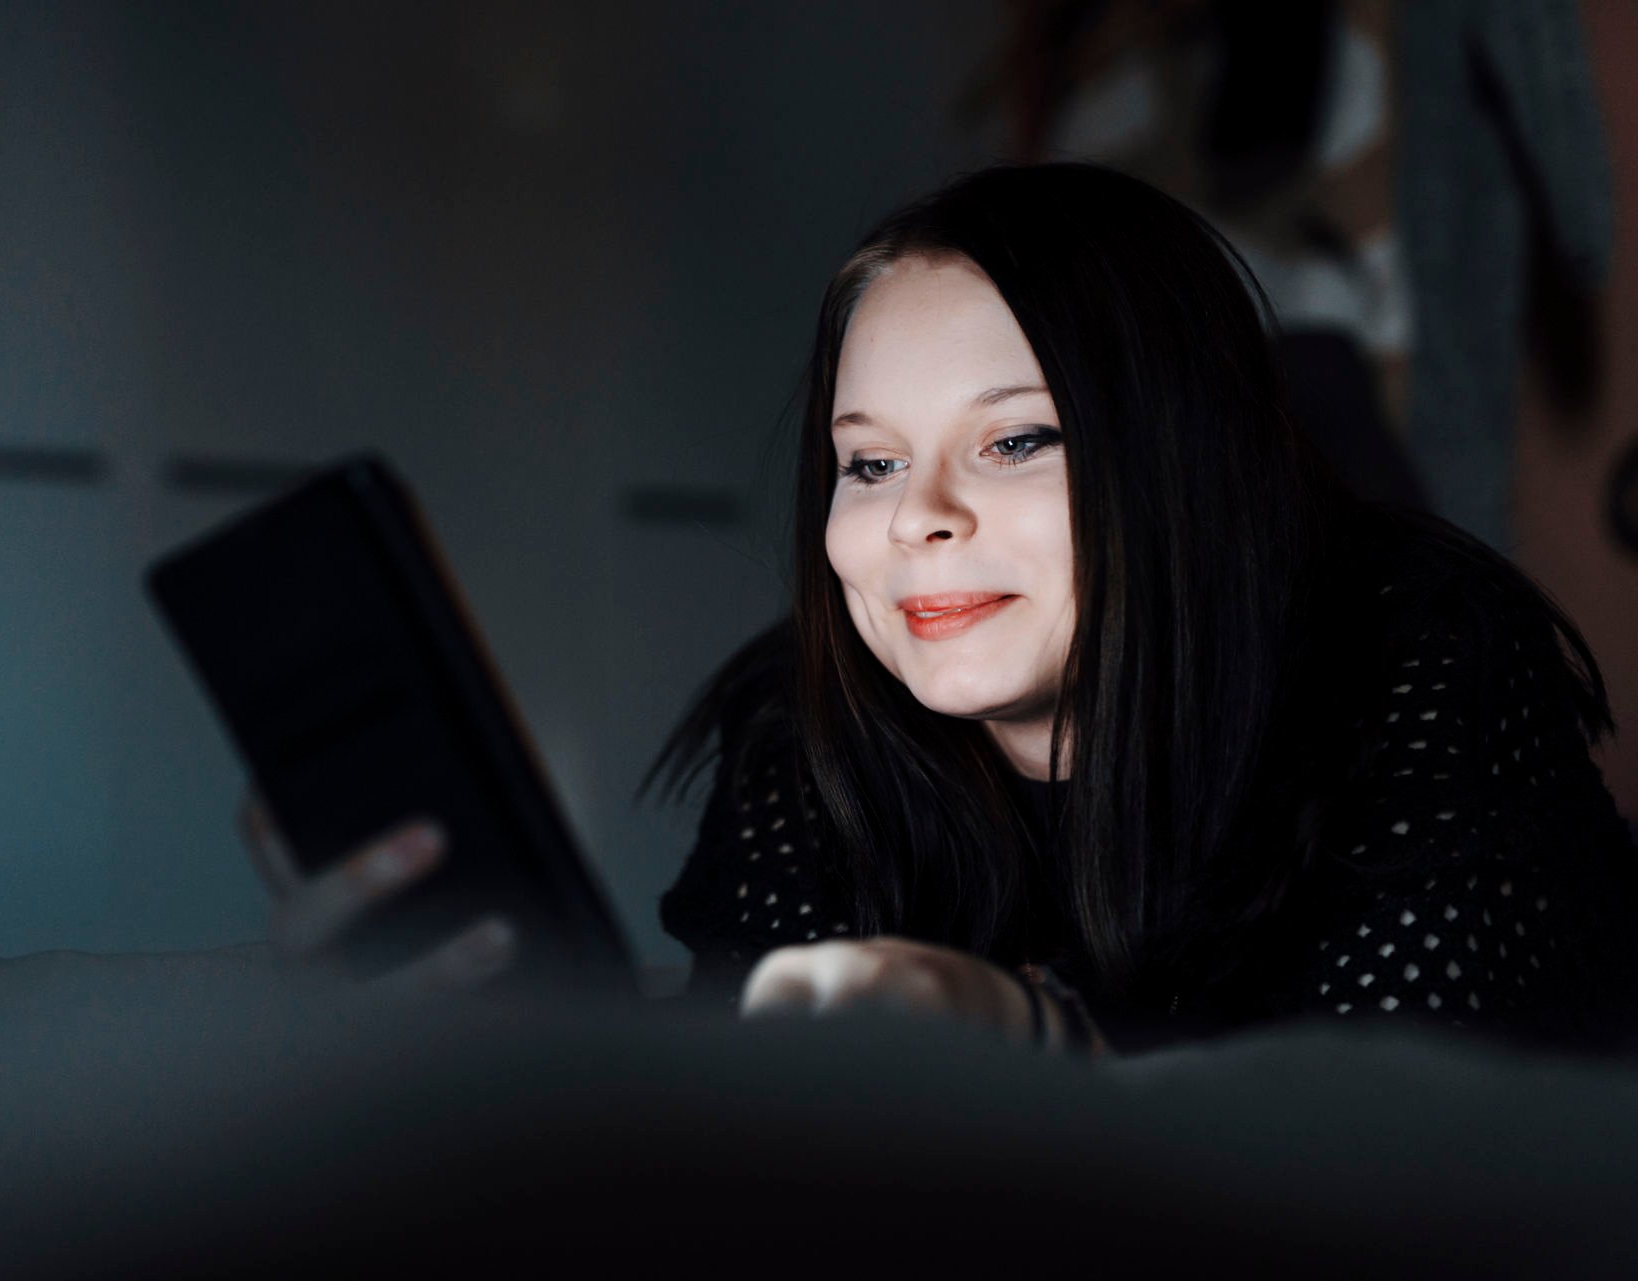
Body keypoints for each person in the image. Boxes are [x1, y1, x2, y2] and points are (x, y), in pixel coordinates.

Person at [638, 162, 1638, 1057]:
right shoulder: (800, 721)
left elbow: (1396, 1152)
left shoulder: (1415, 659)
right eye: (873, 463)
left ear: (1178, 463)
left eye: (1016, 440)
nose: (918, 518)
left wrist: (1042, 1041)